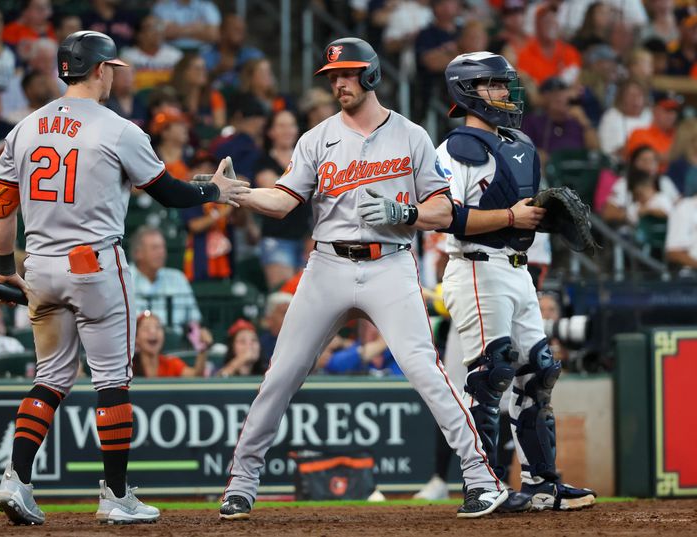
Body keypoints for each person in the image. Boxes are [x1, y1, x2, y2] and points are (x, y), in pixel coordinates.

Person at [216, 37, 508, 520]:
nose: (338, 83)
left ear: (371, 75)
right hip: (327, 263)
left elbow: (443, 209)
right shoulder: (316, 138)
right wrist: (239, 195)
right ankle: (241, 484)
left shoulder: (411, 135)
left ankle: (480, 478)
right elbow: (286, 199)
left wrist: (405, 210)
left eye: (347, 74)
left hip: (390, 262)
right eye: (333, 76)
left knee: (426, 372)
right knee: (281, 375)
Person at [0, 30, 248, 525]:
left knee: (50, 378)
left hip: (39, 266)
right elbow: (170, 194)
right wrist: (213, 190)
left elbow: (2, 206)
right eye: (113, 69)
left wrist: (6, 268)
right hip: (94, 266)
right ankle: (116, 494)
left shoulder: (24, 129)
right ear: (101, 70)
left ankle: (16, 480)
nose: (115, 76)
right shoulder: (118, 129)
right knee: (111, 380)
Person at [436, 51, 596, 512]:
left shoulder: (520, 144)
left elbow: (521, 215)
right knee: (490, 376)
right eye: (494, 84)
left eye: (505, 84)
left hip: (517, 267)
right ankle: (481, 486)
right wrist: (512, 215)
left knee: (539, 372)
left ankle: (542, 484)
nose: (506, 92)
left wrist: (542, 219)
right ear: (468, 90)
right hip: (475, 266)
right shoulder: (456, 149)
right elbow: (449, 218)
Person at [254, 109, 312, 289]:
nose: (288, 130)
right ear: (271, 132)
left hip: (307, 238)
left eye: (291, 125)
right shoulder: (263, 161)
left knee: (309, 297)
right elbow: (277, 191)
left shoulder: (307, 159)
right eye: (281, 125)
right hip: (277, 238)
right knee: (283, 295)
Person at [129, 226, 202, 333]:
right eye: (155, 248)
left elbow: (194, 320)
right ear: (138, 253)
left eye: (163, 247)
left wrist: (199, 333)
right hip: (135, 345)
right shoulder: (123, 278)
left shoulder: (177, 278)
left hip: (175, 345)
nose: (161, 253)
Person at [132, 310, 210, 377]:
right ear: (136, 338)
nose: (153, 332)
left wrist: (202, 348)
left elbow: (196, 375)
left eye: (158, 327)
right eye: (146, 329)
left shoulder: (171, 364)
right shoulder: (128, 368)